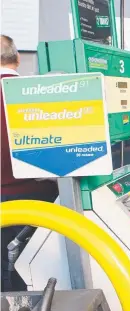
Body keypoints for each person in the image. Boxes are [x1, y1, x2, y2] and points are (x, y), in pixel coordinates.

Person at [1, 34, 59, 292]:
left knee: (7, 275)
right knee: (42, 268)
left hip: (4, 202)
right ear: (17, 59)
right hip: (46, 200)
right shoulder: (38, 95)